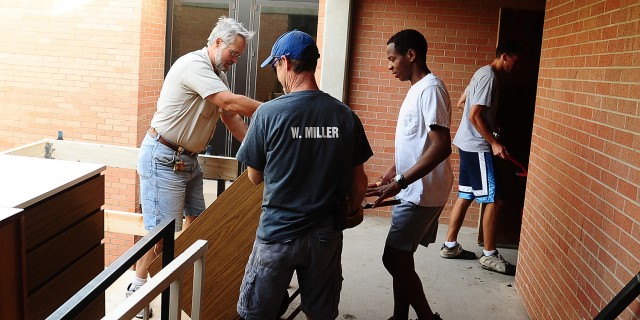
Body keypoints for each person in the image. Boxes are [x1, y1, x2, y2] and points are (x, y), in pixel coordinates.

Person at [128, 16, 261, 318]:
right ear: (217, 43)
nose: (236, 60)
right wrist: (275, 112)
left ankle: (182, 288)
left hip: (188, 161)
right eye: (234, 53)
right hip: (163, 158)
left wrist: (259, 148)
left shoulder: (217, 75)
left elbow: (230, 118)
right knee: (163, 235)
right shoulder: (194, 65)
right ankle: (137, 291)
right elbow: (228, 104)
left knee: (198, 226)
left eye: (240, 55)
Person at [235, 30, 373, 320]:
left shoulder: (268, 114)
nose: (277, 73)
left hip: (277, 235)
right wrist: (350, 210)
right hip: (325, 235)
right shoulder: (344, 115)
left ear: (285, 62)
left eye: (275, 66)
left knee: (256, 313)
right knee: (321, 314)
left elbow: (254, 177)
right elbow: (360, 183)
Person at [366, 29, 452, 320]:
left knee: (393, 257)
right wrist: (391, 173)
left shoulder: (431, 89)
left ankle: (427, 318)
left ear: (411, 55)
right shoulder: (416, 89)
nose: (389, 66)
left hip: (421, 192)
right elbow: (416, 142)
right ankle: (399, 316)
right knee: (402, 257)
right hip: (412, 188)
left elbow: (441, 147)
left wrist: (400, 182)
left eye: (392, 59)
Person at [439, 40, 523, 276]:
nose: (515, 68)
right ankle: (489, 256)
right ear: (505, 56)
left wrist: (490, 120)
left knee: (466, 194)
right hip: (477, 147)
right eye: (515, 63)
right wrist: (494, 142)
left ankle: (450, 246)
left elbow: (462, 101)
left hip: (465, 144)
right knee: (495, 200)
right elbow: (474, 115)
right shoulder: (490, 77)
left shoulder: (480, 72)